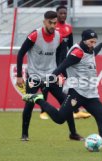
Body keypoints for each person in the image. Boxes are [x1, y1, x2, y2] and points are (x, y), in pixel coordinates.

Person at [22, 29, 102, 151]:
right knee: (60, 119)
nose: (93, 44)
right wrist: (51, 77)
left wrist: (101, 45)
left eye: (95, 42)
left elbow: (93, 53)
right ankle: (38, 99)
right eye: (91, 42)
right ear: (84, 40)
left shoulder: (89, 50)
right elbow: (63, 65)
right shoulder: (77, 53)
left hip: (91, 94)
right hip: (77, 93)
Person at [16, 11, 83, 141]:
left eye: (55, 23)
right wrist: (19, 75)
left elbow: (62, 58)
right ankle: (24, 135)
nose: (53, 25)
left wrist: (61, 74)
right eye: (50, 22)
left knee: (65, 102)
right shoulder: (34, 35)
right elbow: (20, 54)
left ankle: (73, 133)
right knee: (29, 105)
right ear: (44, 22)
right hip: (34, 76)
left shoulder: (59, 36)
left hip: (51, 76)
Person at [39, 5, 92, 120]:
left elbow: (72, 46)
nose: (63, 15)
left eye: (65, 13)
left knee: (72, 82)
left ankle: (76, 110)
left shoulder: (68, 28)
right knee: (47, 83)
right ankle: (43, 111)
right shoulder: (52, 27)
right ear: (56, 14)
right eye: (61, 13)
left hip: (65, 61)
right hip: (53, 60)